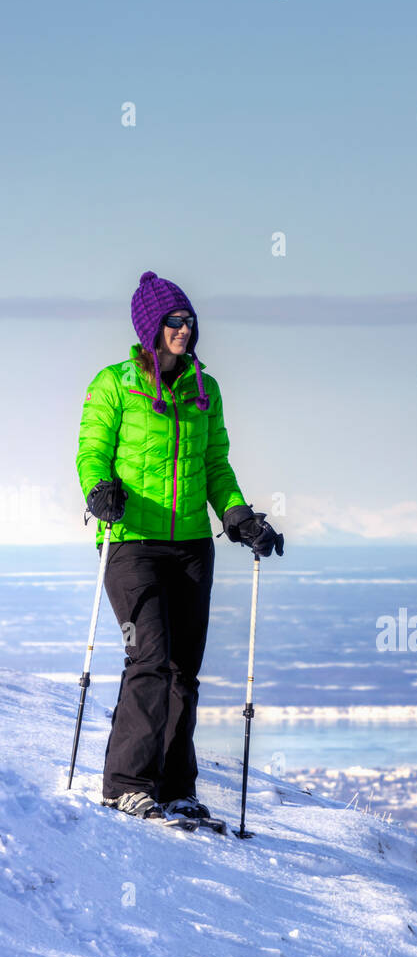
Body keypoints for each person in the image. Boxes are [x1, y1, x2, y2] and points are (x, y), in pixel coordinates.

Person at [76, 269, 284, 823]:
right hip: (131, 542)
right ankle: (125, 785)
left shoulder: (203, 390)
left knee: (183, 669)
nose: (184, 330)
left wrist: (239, 517)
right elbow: (91, 451)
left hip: (192, 544)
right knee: (148, 656)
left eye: (189, 320)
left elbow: (215, 464)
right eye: (173, 321)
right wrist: (99, 492)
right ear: (150, 327)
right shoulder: (114, 384)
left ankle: (174, 788)